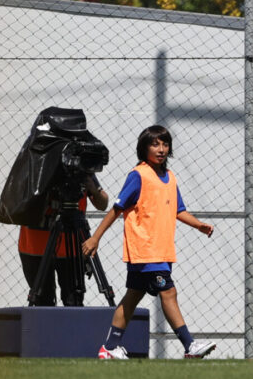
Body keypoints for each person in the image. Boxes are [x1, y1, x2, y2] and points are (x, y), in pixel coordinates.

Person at [82, 125, 216, 360]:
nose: (161, 149)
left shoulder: (170, 177)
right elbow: (116, 209)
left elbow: (178, 210)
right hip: (146, 250)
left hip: (162, 251)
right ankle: (189, 345)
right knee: (169, 292)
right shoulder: (139, 175)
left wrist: (198, 225)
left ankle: (110, 347)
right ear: (143, 148)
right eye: (155, 144)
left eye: (165, 144)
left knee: (132, 297)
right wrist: (95, 238)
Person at [19, 175, 109, 306]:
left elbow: (103, 203)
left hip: (70, 248)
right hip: (35, 246)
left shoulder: (78, 165)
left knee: (74, 302)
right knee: (42, 304)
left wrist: (94, 189)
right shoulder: (38, 160)